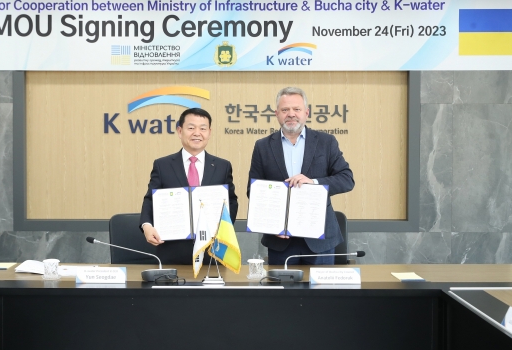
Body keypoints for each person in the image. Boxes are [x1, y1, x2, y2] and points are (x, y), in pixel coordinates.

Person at [247, 87, 354, 265]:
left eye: (296, 109)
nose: (291, 114)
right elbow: (254, 190)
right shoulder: (262, 146)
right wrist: (271, 224)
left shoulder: (326, 142)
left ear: (306, 112)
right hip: (280, 240)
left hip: (320, 239)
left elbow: (346, 179)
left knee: (321, 292)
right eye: (285, 110)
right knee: (281, 292)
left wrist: (314, 183)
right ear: (276, 114)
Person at [140, 108, 238, 265]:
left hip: (212, 251)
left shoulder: (222, 166)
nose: (197, 133)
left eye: (203, 128)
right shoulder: (162, 165)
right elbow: (150, 200)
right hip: (172, 250)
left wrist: (222, 230)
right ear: (180, 131)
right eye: (191, 128)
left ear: (209, 132)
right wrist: (146, 226)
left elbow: (231, 202)